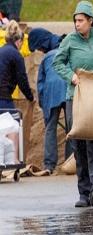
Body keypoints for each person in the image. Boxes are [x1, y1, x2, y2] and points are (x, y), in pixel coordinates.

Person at [53, 0, 93, 208]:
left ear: (91, 21)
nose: (77, 24)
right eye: (75, 20)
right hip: (76, 97)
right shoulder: (70, 41)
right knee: (79, 143)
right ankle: (83, 192)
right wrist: (70, 75)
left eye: (80, 20)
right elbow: (58, 63)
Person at [28, 28, 73, 174]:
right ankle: (69, 162)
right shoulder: (68, 52)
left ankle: (49, 165)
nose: (40, 51)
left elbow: (40, 84)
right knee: (71, 129)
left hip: (51, 93)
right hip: (68, 90)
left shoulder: (47, 57)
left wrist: (43, 104)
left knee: (50, 128)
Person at [0, 20, 34, 162]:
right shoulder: (15, 55)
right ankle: (11, 162)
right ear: (19, 41)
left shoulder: (1, 50)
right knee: (11, 127)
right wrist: (31, 97)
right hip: (3, 97)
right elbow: (22, 80)